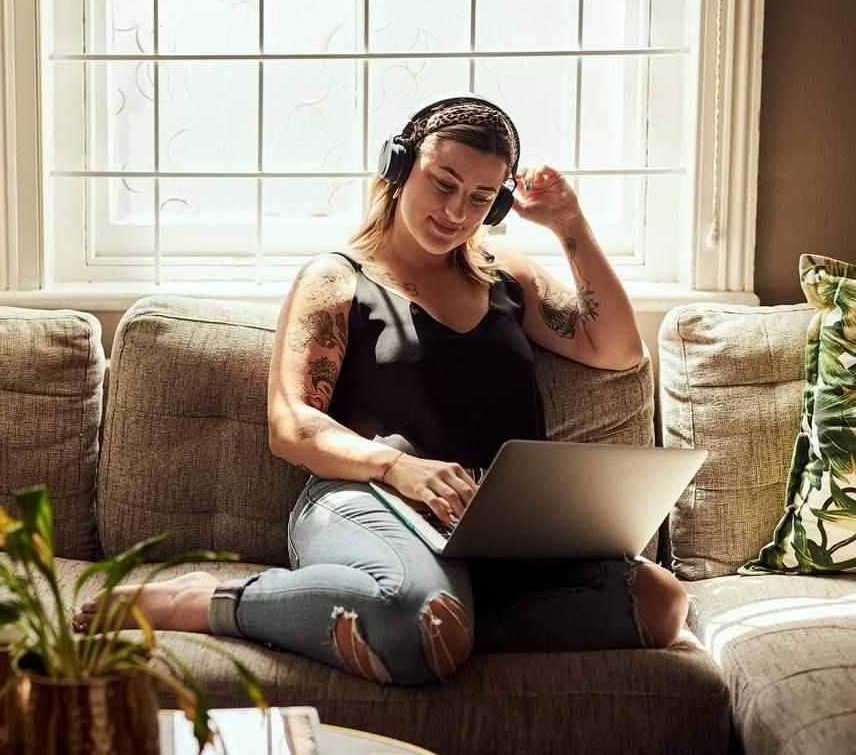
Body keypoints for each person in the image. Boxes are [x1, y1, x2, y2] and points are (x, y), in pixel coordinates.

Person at [72, 95, 689, 684]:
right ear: (398, 167)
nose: (455, 212)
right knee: (418, 620)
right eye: (443, 183)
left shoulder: (508, 277)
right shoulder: (336, 279)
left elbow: (617, 350)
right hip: (366, 498)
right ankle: (207, 602)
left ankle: (445, 625)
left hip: (494, 529)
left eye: (479, 198)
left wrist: (568, 222)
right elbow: (292, 424)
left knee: (660, 603)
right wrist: (399, 468)